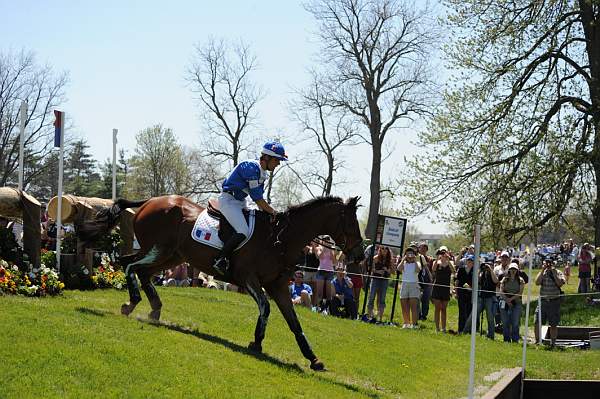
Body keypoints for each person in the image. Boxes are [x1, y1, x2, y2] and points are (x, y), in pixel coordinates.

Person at [212, 141, 287, 276]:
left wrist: (271, 215)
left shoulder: (262, 173)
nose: (279, 163)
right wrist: (274, 212)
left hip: (240, 201)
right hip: (228, 200)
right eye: (277, 160)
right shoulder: (251, 167)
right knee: (243, 231)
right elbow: (257, 198)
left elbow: (259, 202)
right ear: (267, 158)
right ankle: (220, 259)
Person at [463, 260, 499, 339]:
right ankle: (465, 331)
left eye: (489, 265)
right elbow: (477, 280)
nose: (487, 267)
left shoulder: (494, 273)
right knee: (473, 314)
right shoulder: (482, 273)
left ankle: (491, 335)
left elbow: (496, 281)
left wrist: (490, 270)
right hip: (481, 297)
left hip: (490, 298)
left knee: (490, 317)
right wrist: (480, 270)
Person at [534, 258, 566, 347]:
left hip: (554, 301)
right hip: (543, 302)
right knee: (537, 322)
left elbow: (560, 283)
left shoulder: (558, 272)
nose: (548, 265)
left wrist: (554, 273)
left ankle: (553, 343)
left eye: (549, 263)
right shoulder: (542, 272)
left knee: (553, 324)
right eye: (546, 263)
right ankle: (537, 342)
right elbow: (537, 282)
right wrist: (543, 270)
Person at [431, 246, 455, 332]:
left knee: (444, 309)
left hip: (446, 288)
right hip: (437, 287)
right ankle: (437, 328)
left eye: (445, 252)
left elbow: (453, 271)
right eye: (442, 252)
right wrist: (438, 258)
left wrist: (448, 260)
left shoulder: (450, 262)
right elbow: (433, 270)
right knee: (437, 308)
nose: (443, 254)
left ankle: (443, 328)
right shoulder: (436, 262)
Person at [499, 263, 525, 342]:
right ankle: (506, 339)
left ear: (517, 270)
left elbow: (520, 293)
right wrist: (507, 300)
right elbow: (501, 291)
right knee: (505, 322)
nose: (513, 271)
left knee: (515, 322)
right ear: (509, 270)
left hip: (516, 303)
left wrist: (510, 300)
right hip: (504, 302)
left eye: (515, 269)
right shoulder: (504, 279)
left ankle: (515, 339)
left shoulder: (521, 280)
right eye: (511, 269)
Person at [367, 245, 393, 323]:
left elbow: (393, 272)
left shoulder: (390, 260)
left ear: (388, 250)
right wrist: (378, 271)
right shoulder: (375, 258)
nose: (384, 250)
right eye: (382, 248)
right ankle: (370, 316)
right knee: (371, 296)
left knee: (382, 298)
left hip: (384, 280)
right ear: (379, 249)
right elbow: (370, 269)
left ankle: (380, 318)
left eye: (386, 248)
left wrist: (387, 270)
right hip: (375, 279)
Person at [397, 247, 421, 328]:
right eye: (408, 254)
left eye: (411, 254)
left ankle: (414, 324)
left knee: (413, 306)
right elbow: (399, 269)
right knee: (404, 305)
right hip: (404, 284)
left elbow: (418, 270)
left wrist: (415, 260)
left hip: (413, 285)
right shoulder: (403, 263)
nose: (410, 256)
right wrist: (403, 259)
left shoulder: (417, 263)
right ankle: (406, 323)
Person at [314, 236, 336, 309]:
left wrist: (330, 250)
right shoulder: (319, 248)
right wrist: (324, 249)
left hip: (330, 271)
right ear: (322, 241)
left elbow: (334, 261)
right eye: (325, 240)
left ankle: (328, 308)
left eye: (328, 240)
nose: (326, 241)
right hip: (321, 271)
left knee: (328, 293)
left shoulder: (331, 249)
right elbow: (319, 257)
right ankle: (318, 307)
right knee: (320, 292)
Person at [455, 254, 474, 333]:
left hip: (470, 294)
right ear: (466, 261)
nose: (470, 263)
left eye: (471, 261)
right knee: (462, 311)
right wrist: (456, 292)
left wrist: (471, 288)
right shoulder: (461, 269)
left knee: (469, 311)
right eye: (468, 261)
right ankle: (460, 329)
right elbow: (457, 281)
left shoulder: (474, 271)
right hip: (461, 293)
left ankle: (468, 330)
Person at [417, 242, 433, 321]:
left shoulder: (429, 259)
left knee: (426, 300)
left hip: (427, 282)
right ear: (418, 248)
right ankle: (418, 314)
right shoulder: (416, 257)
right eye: (421, 248)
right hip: (418, 281)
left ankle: (424, 315)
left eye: (425, 249)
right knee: (417, 299)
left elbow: (432, 270)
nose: (423, 250)